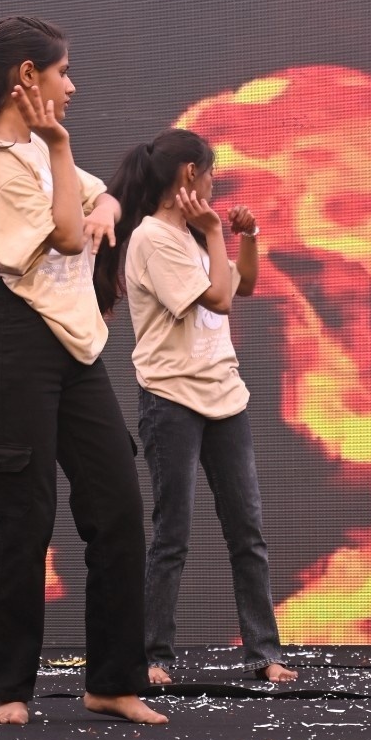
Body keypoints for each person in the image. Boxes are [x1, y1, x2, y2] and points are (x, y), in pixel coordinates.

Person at [0, 14, 165, 727]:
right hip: (20, 342)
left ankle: (112, 681)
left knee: (117, 507)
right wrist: (65, 156)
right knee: (25, 513)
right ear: (27, 77)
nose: (73, 85)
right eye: (63, 72)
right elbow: (67, 233)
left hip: (77, 347)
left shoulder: (40, 151)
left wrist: (103, 201)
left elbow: (103, 200)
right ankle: (10, 689)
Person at [95, 128, 296, 685]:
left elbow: (243, 285)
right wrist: (213, 231)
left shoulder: (191, 236)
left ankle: (264, 652)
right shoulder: (152, 239)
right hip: (172, 399)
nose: (214, 184)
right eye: (210, 173)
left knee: (248, 533)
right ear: (189, 174)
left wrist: (245, 236)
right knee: (172, 536)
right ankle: (153, 655)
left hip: (225, 396)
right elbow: (219, 299)